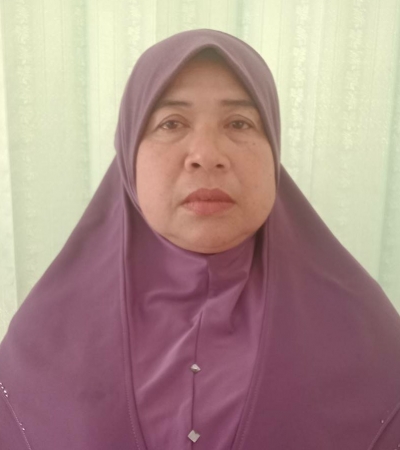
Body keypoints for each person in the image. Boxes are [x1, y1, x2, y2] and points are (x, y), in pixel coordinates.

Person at [0, 29, 399, 450]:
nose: (207, 155)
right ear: (129, 152)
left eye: (239, 123)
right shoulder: (44, 343)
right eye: (171, 123)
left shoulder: (365, 339)